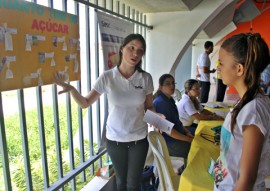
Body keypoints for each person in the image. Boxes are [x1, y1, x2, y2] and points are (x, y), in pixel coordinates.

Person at [54, 34, 155, 191]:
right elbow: (85, 103)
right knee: (121, 182)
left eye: (140, 51)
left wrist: (158, 119)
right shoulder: (107, 77)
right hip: (115, 140)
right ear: (122, 49)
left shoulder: (145, 78)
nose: (135, 54)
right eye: (132, 48)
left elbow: (149, 107)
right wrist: (73, 90)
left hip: (139, 139)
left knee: (134, 183)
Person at [213, 33, 270, 191]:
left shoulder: (253, 111)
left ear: (239, 69)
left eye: (221, 63)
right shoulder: (246, 102)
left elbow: (247, 179)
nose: (218, 67)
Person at [153, 74, 193, 161]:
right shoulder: (161, 103)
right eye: (168, 84)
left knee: (197, 137)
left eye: (173, 83)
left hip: (177, 135)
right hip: (169, 142)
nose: (172, 86)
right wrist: (187, 139)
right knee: (196, 150)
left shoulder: (169, 99)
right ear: (160, 87)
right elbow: (169, 131)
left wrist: (186, 132)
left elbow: (176, 121)